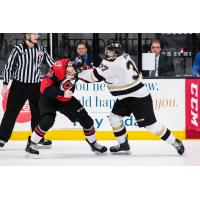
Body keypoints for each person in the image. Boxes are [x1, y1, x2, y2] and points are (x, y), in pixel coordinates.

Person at [78, 41, 185, 155]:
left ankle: (175, 142)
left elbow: (93, 76)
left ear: (116, 53)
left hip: (139, 98)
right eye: (107, 50)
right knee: (114, 118)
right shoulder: (124, 56)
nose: (107, 52)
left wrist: (76, 72)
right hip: (126, 96)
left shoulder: (114, 64)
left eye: (110, 51)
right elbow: (108, 74)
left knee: (151, 126)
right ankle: (123, 145)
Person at [25, 58, 107, 157]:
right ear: (69, 64)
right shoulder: (58, 67)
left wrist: (104, 73)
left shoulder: (80, 69)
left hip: (65, 99)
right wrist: (62, 93)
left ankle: (94, 144)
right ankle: (31, 145)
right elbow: (44, 87)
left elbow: (93, 77)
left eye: (76, 72)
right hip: (48, 97)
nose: (73, 73)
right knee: (48, 121)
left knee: (87, 120)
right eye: (72, 70)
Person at [0, 33, 54, 148]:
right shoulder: (18, 49)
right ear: (27, 35)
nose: (37, 36)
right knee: (11, 111)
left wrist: (63, 70)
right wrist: (5, 85)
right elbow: (9, 67)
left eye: (38, 34)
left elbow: (52, 64)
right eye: (34, 33)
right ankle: (2, 138)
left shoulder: (41, 49)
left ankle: (38, 139)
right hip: (19, 85)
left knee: (38, 113)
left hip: (35, 85)